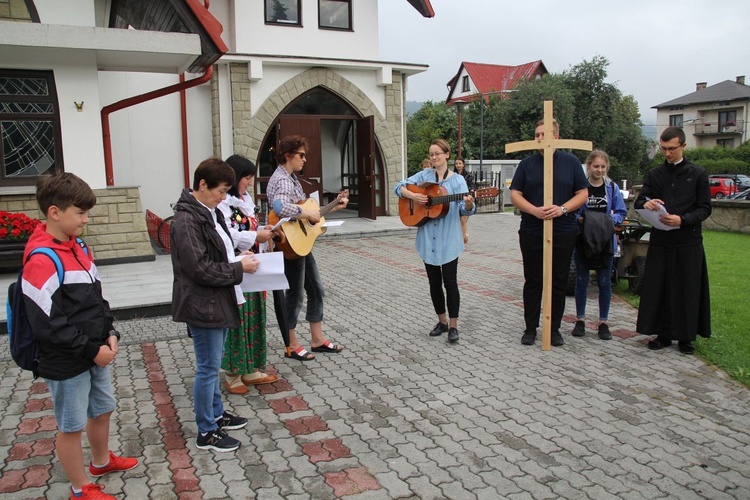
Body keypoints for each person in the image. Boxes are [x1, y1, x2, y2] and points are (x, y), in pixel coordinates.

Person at [23, 173, 139, 499]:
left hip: (94, 351)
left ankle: (101, 462)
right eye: (80, 213)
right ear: (55, 212)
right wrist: (91, 350)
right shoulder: (42, 259)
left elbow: (96, 299)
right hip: (66, 360)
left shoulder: (79, 247)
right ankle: (80, 487)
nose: (86, 220)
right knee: (71, 426)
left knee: (102, 409)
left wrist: (110, 331)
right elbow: (48, 324)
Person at [171, 158, 259, 452]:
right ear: (202, 185)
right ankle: (206, 431)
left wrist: (240, 261)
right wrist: (238, 270)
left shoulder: (209, 212)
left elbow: (223, 251)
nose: (224, 197)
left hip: (218, 297)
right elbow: (199, 268)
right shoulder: (187, 219)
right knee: (207, 368)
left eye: (226, 192)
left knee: (213, 364)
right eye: (221, 191)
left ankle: (217, 415)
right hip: (202, 302)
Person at [266, 135, 347, 361]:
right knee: (295, 295)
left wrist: (333, 207)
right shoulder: (282, 179)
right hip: (289, 245)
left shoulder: (292, 179)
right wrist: (306, 213)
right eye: (301, 155)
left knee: (316, 290)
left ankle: (317, 340)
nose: (305, 159)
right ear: (288, 155)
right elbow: (280, 207)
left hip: (301, 243)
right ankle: (291, 344)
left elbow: (311, 215)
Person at [509, 119, 588, 347]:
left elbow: (582, 193)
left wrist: (562, 208)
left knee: (558, 281)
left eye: (544, 134)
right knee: (533, 280)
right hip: (532, 230)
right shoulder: (527, 164)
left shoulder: (571, 162)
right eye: (536, 135)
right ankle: (530, 328)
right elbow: (515, 193)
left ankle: (553, 329)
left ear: (557, 135)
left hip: (563, 229)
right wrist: (534, 210)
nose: (540, 139)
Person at [634, 126, 711, 354]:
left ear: (683, 146)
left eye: (672, 149)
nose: (667, 153)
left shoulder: (698, 174)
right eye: (664, 149)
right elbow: (641, 201)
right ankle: (662, 333)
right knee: (661, 288)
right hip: (661, 241)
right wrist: (645, 204)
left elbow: (705, 208)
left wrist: (682, 219)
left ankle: (686, 337)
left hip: (688, 241)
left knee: (687, 289)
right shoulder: (655, 174)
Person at [394, 139, 476, 343]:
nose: (434, 157)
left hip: (449, 239)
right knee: (434, 283)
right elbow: (399, 187)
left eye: (437, 153)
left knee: (450, 282)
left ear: (447, 155)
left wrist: (467, 204)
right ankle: (442, 322)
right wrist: (413, 196)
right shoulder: (424, 176)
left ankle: (454, 326)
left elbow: (465, 210)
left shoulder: (457, 181)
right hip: (428, 239)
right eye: (431, 154)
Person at [218, 155, 279, 394]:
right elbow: (227, 234)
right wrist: (255, 236)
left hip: (254, 263)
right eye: (246, 177)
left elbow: (250, 226)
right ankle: (233, 372)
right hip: (235, 264)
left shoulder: (245, 199)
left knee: (254, 315)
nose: (249, 182)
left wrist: (263, 231)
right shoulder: (223, 203)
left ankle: (250, 367)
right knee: (238, 317)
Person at [570, 150, 627, 340]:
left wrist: (609, 220)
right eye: (596, 166)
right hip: (584, 240)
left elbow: (621, 212)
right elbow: (573, 211)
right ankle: (580, 319)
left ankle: (603, 322)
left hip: (605, 241)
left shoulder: (611, 188)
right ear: (589, 166)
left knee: (604, 282)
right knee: (581, 280)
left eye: (603, 167)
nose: (599, 170)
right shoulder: (581, 187)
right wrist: (581, 219)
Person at [454, 157, 474, 244]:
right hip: (454, 200)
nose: (458, 165)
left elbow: (472, 187)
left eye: (459, 163)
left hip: (464, 199)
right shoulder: (452, 175)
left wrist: (470, 194)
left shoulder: (468, 175)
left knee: (463, 220)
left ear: (463, 164)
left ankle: (463, 237)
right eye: (456, 163)